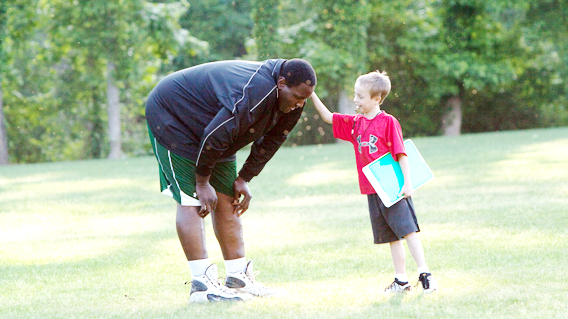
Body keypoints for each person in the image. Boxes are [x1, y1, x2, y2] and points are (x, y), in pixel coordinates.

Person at [145, 58, 317, 302]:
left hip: (213, 127)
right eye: (298, 96)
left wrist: (244, 177)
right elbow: (215, 135)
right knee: (192, 199)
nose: (301, 103)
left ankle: (237, 278)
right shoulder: (255, 91)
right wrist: (202, 183)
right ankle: (201, 286)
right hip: (173, 114)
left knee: (228, 196)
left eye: (306, 98)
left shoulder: (294, 101)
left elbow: (273, 139)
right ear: (281, 83)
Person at [309, 70, 438, 293]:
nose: (355, 100)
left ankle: (425, 274)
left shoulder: (388, 122)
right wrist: (310, 93)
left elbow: (401, 153)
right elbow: (329, 117)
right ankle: (401, 280)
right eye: (355, 95)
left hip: (394, 189)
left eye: (360, 96)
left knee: (407, 231)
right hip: (373, 189)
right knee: (391, 235)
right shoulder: (355, 124)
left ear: (376, 99)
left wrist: (407, 184)